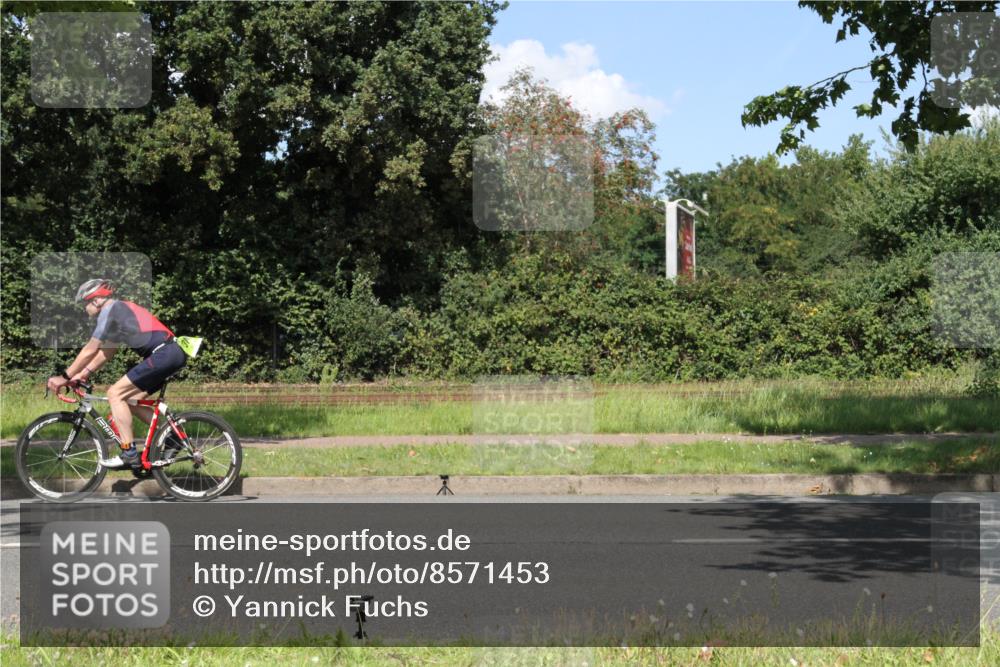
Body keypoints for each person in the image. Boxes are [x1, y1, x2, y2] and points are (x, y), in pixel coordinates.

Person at [45, 279, 187, 469]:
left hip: (164, 353)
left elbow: (90, 349)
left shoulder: (110, 310)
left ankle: (129, 453)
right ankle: (172, 437)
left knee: (115, 393)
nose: (84, 309)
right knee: (130, 400)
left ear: (96, 300)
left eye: (85, 303)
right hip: (170, 353)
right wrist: (83, 374)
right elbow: (106, 352)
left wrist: (65, 376)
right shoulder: (119, 312)